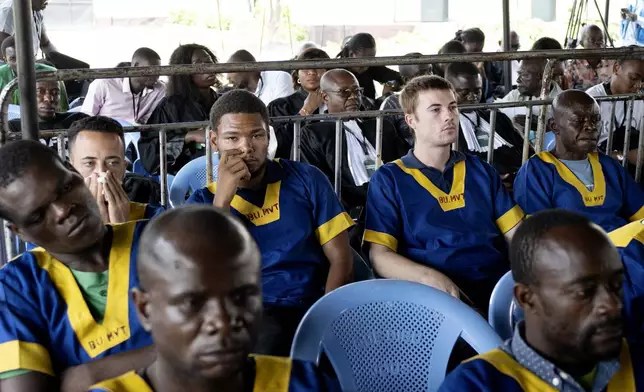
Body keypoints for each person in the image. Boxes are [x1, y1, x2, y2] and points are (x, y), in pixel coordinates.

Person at [88, 205, 341, 392]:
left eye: (242, 296)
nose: (222, 321)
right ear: (144, 310)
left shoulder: (304, 385)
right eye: (192, 303)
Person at [186, 89, 354, 356]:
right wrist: (224, 199)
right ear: (214, 141)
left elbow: (341, 259)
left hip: (313, 303)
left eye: (257, 135)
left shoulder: (306, 179)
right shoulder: (200, 203)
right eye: (232, 138)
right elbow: (205, 273)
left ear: (268, 136)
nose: (246, 148)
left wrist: (325, 318)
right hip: (245, 314)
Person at [0, 140, 156, 392]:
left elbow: (231, 338)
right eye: (38, 216)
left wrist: (90, 373)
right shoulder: (16, 287)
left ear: (73, 171)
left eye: (65, 188)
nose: (62, 211)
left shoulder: (163, 238)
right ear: (20, 232)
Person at [363, 75, 524, 313]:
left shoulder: (479, 169)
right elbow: (380, 255)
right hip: (432, 297)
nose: (449, 116)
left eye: (452, 107)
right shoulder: (389, 179)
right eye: (435, 110)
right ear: (411, 120)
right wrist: (428, 277)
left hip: (496, 288)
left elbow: (518, 233)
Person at [439, 209, 644, 391]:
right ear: (527, 299)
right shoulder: (477, 384)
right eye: (584, 291)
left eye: (615, 287)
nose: (612, 304)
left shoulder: (634, 361)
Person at [514, 90, 644, 234]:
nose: (591, 127)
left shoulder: (609, 166)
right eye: (578, 120)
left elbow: (641, 214)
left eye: (595, 120)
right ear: (554, 126)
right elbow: (537, 236)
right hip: (574, 252)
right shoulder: (536, 171)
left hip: (625, 249)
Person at [301, 69, 408, 213]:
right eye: (344, 92)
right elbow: (321, 186)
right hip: (350, 212)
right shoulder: (314, 134)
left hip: (395, 201)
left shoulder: (379, 125)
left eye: (357, 91)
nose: (353, 97)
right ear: (325, 97)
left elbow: (404, 165)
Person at [138, 44, 220, 175]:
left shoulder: (222, 102)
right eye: (199, 64)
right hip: (188, 178)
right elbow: (150, 156)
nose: (209, 67)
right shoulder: (170, 106)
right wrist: (188, 137)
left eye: (209, 61)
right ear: (184, 72)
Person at [68, 116, 165, 223]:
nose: (102, 173)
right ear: (71, 169)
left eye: (112, 163)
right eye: (89, 163)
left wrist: (120, 226)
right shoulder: (58, 217)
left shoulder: (151, 210)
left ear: (124, 166)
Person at [445, 62, 529, 184]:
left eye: (478, 91)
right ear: (449, 91)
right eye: (464, 92)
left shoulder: (497, 117)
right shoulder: (446, 126)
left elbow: (524, 150)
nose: (473, 97)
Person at [267, 48, 330, 159]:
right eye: (305, 68)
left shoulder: (339, 101)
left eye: (318, 67)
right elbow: (276, 144)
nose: (312, 72)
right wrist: (306, 111)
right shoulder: (279, 106)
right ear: (297, 75)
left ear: (328, 72)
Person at [81, 48, 165, 125]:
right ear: (136, 66)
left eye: (159, 70)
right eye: (151, 69)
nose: (157, 75)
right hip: (106, 135)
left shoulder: (160, 90)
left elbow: (150, 120)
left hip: (140, 137)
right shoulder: (103, 84)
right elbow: (85, 120)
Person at [586, 56, 644, 165]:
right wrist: (624, 156)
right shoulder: (591, 99)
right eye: (633, 78)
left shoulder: (639, 100)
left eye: (643, 81)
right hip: (599, 166)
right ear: (616, 68)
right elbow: (583, 152)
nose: (638, 86)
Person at [7, 78, 87, 147]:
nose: (49, 99)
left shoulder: (78, 120)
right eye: (40, 92)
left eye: (55, 93)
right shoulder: (14, 127)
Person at [0, 35, 69, 110]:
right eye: (13, 58)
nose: (20, 63)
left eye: (24, 56)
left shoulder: (52, 74)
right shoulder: (1, 74)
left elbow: (63, 110)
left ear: (33, 55)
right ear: (5, 60)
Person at [496, 58, 563, 132]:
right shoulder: (516, 94)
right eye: (519, 74)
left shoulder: (562, 102)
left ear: (541, 77)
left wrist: (543, 126)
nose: (517, 80)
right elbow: (494, 112)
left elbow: (567, 133)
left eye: (524, 75)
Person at [380, 52, 432, 148]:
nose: (429, 75)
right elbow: (386, 142)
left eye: (430, 70)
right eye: (422, 73)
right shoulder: (393, 103)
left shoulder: (439, 96)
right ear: (406, 79)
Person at [336, 32, 402, 101]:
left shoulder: (371, 66)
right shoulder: (336, 72)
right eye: (364, 60)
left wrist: (391, 85)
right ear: (351, 54)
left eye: (372, 59)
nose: (368, 65)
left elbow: (398, 77)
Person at [226, 49, 294, 105]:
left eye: (230, 70)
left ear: (245, 67)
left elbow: (281, 114)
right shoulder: (240, 94)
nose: (227, 77)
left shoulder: (279, 78)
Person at [454, 28, 504, 100]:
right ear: (462, 44)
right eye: (474, 50)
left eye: (480, 50)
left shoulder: (485, 62)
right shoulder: (453, 62)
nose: (478, 54)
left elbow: (489, 92)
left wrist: (482, 74)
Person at [564, 25, 613, 91]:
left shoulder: (611, 63)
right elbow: (567, 93)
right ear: (582, 43)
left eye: (601, 40)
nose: (597, 43)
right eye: (591, 40)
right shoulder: (572, 66)